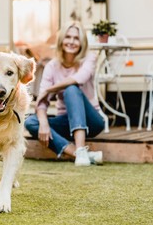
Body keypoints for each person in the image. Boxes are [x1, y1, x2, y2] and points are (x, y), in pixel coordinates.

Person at [24, 21, 105, 166]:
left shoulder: (90, 58)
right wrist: (43, 123)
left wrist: (50, 89)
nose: (71, 42)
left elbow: (79, 79)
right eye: (68, 37)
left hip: (92, 121)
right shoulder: (52, 66)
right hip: (66, 121)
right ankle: (81, 155)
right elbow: (42, 103)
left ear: (82, 42)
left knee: (71, 89)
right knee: (31, 122)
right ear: (61, 40)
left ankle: (80, 149)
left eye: (76, 38)